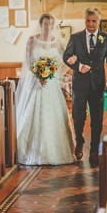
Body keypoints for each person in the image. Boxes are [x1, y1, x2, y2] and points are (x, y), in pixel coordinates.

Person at [15, 13, 75, 165]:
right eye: (45, 24)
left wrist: (55, 75)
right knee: (32, 114)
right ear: (40, 25)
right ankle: (30, 152)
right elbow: (28, 62)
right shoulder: (31, 41)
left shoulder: (57, 43)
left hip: (52, 83)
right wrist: (38, 74)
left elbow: (66, 60)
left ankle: (54, 153)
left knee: (53, 116)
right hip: (35, 82)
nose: (48, 27)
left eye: (51, 24)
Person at [62, 7, 107, 166]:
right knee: (78, 117)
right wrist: (77, 66)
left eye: (94, 21)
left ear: (99, 21)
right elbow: (66, 56)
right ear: (84, 20)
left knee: (97, 118)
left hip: (98, 84)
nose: (91, 24)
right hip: (80, 84)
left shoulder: (106, 38)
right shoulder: (76, 38)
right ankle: (79, 141)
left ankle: (94, 149)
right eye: (88, 20)